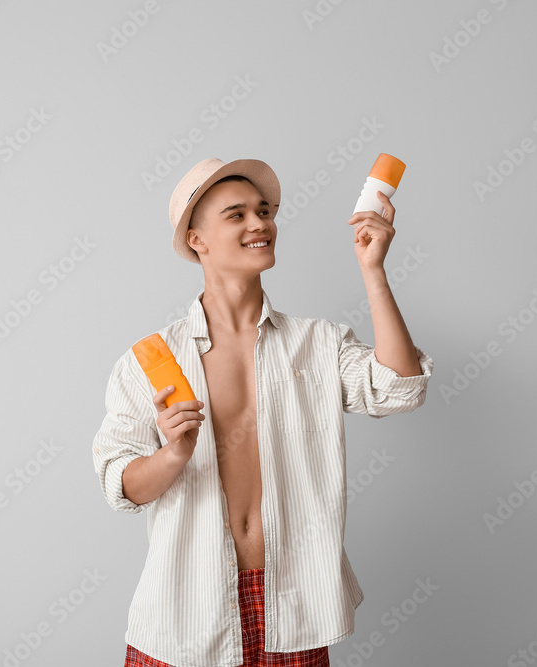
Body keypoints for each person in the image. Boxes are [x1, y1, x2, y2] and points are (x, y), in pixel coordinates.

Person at [92, 157, 433, 666]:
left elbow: (400, 388)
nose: (260, 224)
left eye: (265, 211)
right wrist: (173, 454)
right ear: (196, 239)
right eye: (237, 215)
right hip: (186, 615)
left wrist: (373, 270)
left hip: (292, 607)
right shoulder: (150, 361)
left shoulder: (317, 344)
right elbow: (121, 485)